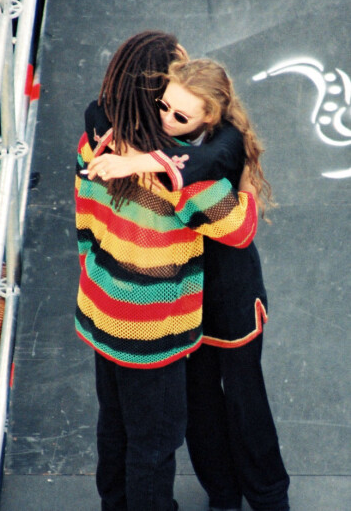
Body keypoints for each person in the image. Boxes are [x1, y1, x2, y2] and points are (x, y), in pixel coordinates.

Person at [87, 57, 290, 511]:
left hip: (228, 294)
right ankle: (222, 494)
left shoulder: (224, 144)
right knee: (197, 405)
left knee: (244, 403)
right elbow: (98, 111)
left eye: (180, 116)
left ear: (209, 118)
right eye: (163, 107)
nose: (165, 120)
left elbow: (231, 212)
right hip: (181, 301)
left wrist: (144, 160)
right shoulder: (155, 140)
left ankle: (270, 497)